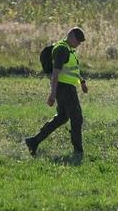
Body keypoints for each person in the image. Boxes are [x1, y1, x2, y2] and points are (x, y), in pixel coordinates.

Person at [25, 27, 88, 162]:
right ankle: (78, 151)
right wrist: (52, 93)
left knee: (62, 117)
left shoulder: (69, 50)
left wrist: (82, 81)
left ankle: (34, 141)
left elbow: (72, 69)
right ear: (70, 36)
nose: (79, 44)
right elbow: (55, 73)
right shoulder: (61, 50)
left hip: (67, 87)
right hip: (64, 89)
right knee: (76, 118)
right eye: (78, 41)